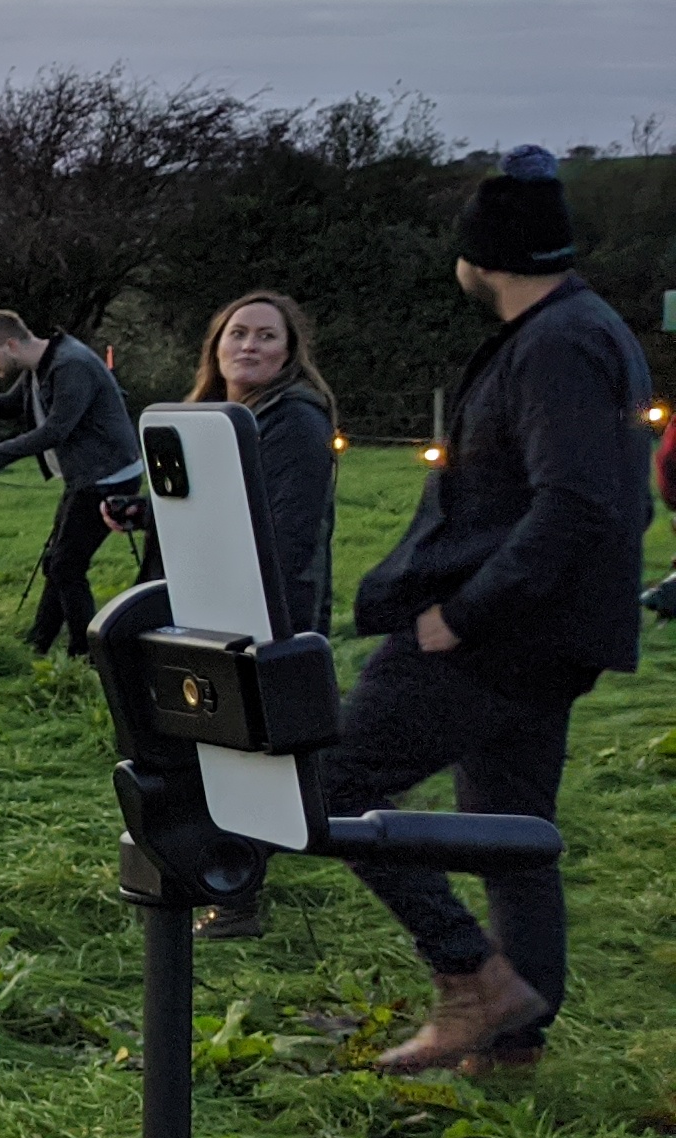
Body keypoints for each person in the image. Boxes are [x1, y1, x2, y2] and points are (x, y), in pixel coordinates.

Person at [329, 147, 652, 1072]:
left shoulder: (556, 344)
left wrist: (463, 613)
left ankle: (472, 982)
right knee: (510, 828)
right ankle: (513, 1043)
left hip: (500, 634)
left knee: (333, 784)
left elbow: (581, 504)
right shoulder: (586, 330)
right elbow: (622, 499)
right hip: (549, 634)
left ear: (485, 255)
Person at [183, 289, 339, 940]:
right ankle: (222, 872)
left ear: (290, 352)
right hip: (215, 600)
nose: (249, 345)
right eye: (237, 333)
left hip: (266, 609)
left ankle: (236, 896)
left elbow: (287, 531)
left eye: (266, 336)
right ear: (216, 347)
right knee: (222, 745)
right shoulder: (219, 415)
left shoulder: (293, 418)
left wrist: (259, 616)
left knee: (252, 751)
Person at [0, 312, 139, 654]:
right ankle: (40, 641)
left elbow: (56, 430)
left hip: (107, 478)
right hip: (85, 478)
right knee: (58, 561)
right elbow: (13, 406)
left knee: (66, 566)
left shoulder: (70, 365)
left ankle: (85, 653)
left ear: (11, 344)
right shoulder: (39, 365)